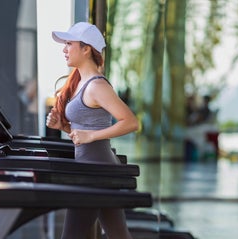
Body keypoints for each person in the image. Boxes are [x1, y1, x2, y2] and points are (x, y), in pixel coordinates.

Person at [46, 22, 138, 239]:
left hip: (96, 173)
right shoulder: (80, 83)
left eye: (69, 43)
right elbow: (84, 133)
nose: (64, 49)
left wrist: (91, 136)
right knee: (119, 236)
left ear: (86, 49)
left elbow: (131, 122)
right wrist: (64, 127)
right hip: (96, 169)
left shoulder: (97, 86)